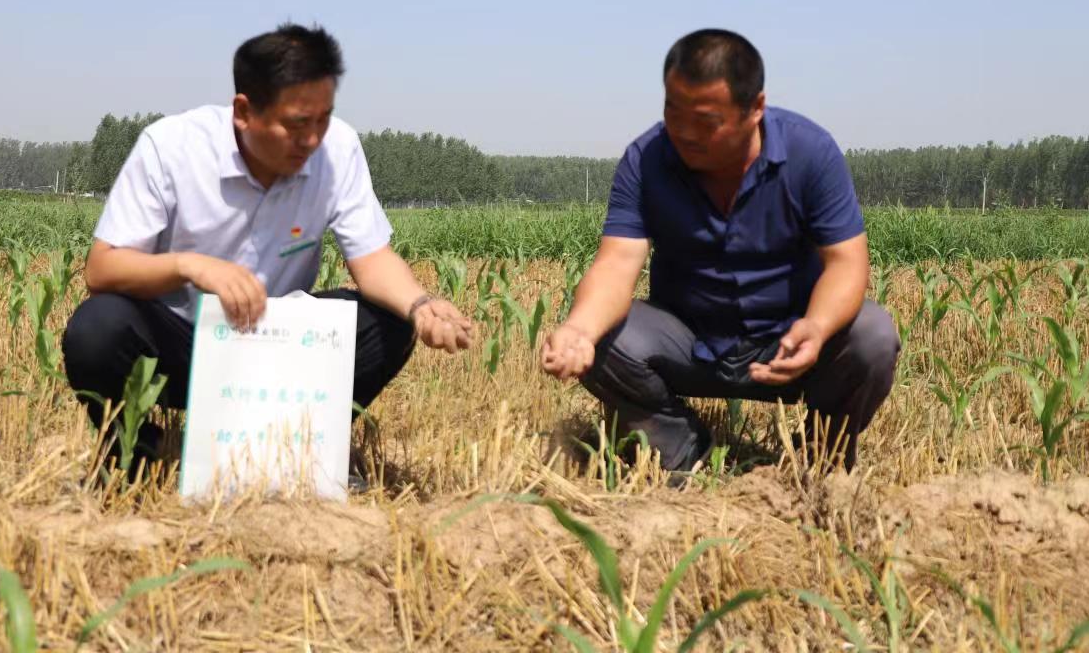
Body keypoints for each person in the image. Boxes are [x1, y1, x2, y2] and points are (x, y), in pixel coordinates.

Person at [62, 23, 473, 465]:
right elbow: (102, 269)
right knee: (98, 329)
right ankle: (141, 455)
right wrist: (190, 266)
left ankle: (296, 453)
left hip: (279, 344)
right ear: (243, 111)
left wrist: (420, 304)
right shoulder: (171, 148)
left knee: (388, 324)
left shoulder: (338, 151)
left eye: (323, 119)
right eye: (297, 124)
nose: (313, 139)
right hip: (179, 341)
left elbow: (371, 259)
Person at [540, 29, 898, 472]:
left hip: (785, 341)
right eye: (673, 110)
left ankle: (819, 460)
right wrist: (579, 330)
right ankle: (679, 448)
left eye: (706, 121)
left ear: (756, 109)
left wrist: (818, 327)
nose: (684, 133)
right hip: (689, 342)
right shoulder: (647, 158)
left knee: (873, 335)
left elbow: (846, 263)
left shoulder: (811, 153)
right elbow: (617, 261)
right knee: (603, 335)